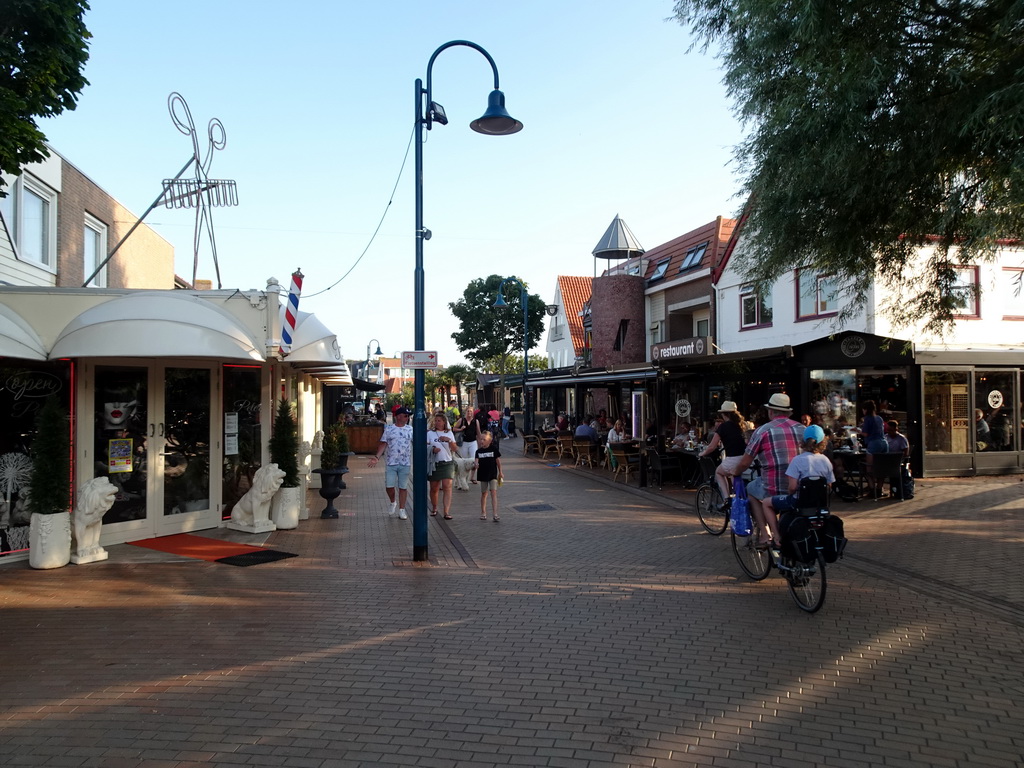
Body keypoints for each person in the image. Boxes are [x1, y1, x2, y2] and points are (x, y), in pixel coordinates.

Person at [731, 393, 804, 547]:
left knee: (750, 490)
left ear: (771, 412)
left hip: (774, 487)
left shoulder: (763, 431)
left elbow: (745, 462)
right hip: (800, 487)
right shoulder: (802, 429)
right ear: (789, 412)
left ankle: (765, 535)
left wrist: (735, 472)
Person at [762, 424, 836, 550]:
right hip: (819, 504)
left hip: (798, 502)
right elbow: (829, 485)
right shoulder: (825, 461)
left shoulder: (798, 460)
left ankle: (777, 536)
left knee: (766, 503)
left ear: (803, 441)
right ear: (823, 442)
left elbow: (792, 487)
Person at [368, 406, 413, 520]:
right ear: (398, 416)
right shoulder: (389, 429)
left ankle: (402, 510)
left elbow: (418, 443)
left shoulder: (410, 429)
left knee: (403, 487)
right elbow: (383, 444)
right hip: (391, 462)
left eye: (408, 416)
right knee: (389, 486)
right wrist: (377, 457)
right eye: (405, 415)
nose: (407, 418)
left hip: (405, 462)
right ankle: (393, 502)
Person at [699, 401, 747, 506]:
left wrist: (702, 454)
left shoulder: (723, 427)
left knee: (719, 472)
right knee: (734, 475)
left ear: (725, 414)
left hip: (733, 459)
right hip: (746, 459)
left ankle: (726, 498)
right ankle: (738, 496)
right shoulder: (742, 425)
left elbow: (712, 446)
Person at [427, 413, 458, 519]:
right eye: (435, 420)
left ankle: (446, 511)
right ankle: (434, 507)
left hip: (447, 462)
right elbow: (425, 448)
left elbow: (455, 449)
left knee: (447, 486)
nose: (437, 422)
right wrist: (432, 449)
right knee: (434, 488)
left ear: (444, 422)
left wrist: (448, 441)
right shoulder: (430, 433)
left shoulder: (449, 433)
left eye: (439, 420)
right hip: (434, 463)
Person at [859, 399, 888, 498]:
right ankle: (879, 489)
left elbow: (866, 433)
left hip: (873, 443)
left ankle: (872, 490)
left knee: (869, 468)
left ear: (866, 409)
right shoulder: (879, 418)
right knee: (881, 468)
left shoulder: (867, 418)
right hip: (884, 443)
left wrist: (858, 431)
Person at [474, 430, 503, 521]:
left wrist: (501, 472)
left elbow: (498, 461)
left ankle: (495, 514)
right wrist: (475, 465)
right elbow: (476, 461)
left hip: (493, 474)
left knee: (493, 492)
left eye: (484, 439)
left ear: (490, 441)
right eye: (481, 439)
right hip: (483, 475)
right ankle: (483, 512)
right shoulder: (478, 451)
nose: (482, 441)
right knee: (484, 493)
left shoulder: (494, 449)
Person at [457, 408, 481, 484]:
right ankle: (462, 476)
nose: (469, 413)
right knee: (463, 460)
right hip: (464, 442)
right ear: (465, 412)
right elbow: (454, 428)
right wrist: (460, 429)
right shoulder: (462, 420)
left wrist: (480, 441)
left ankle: (472, 477)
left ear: (473, 412)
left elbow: (478, 432)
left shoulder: (476, 421)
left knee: (474, 459)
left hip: (473, 442)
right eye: (468, 411)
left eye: (471, 411)